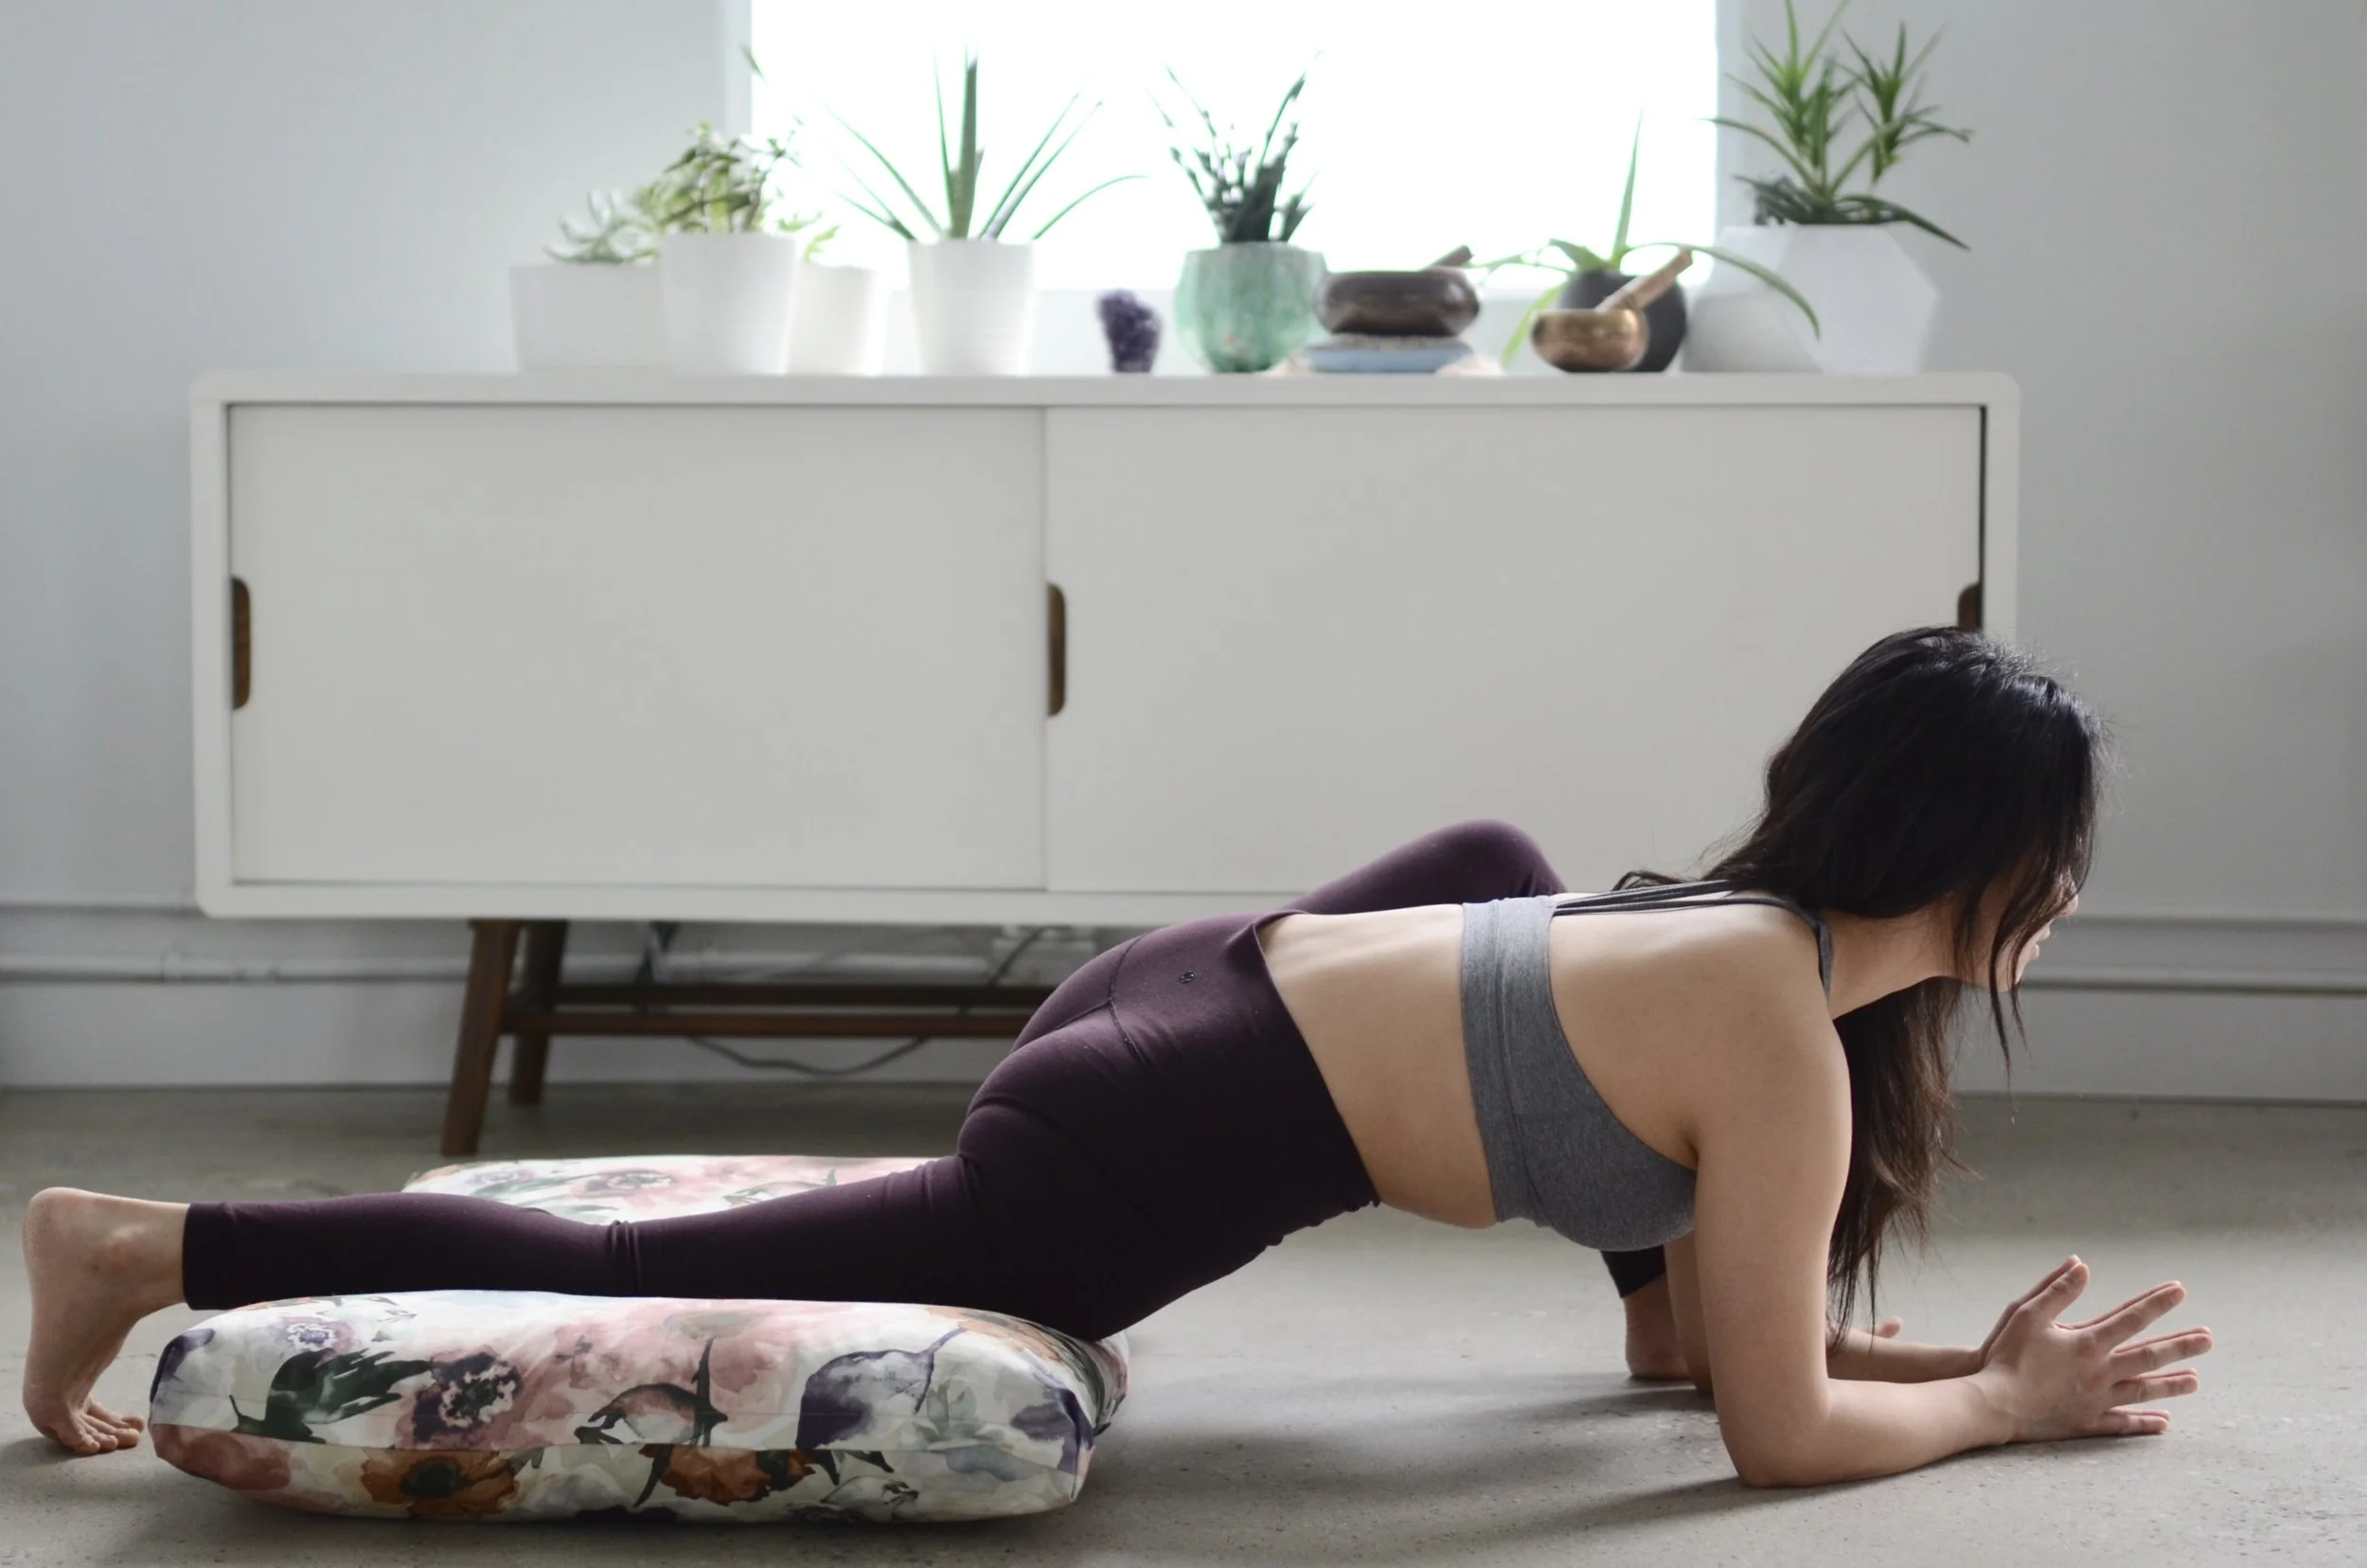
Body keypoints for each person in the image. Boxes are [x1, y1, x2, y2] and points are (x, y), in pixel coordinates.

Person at [22, 626, 2211, 1485]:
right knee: (663, 1273)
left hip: (1183, 985)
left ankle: (150, 1243)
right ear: (2004, 872)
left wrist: (1950, 1356)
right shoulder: (1771, 1036)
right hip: (1128, 1140)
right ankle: (140, 1244)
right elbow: (1765, 1435)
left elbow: (1684, 1355)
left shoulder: (1713, 949)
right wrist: (1996, 1406)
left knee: (1498, 863)